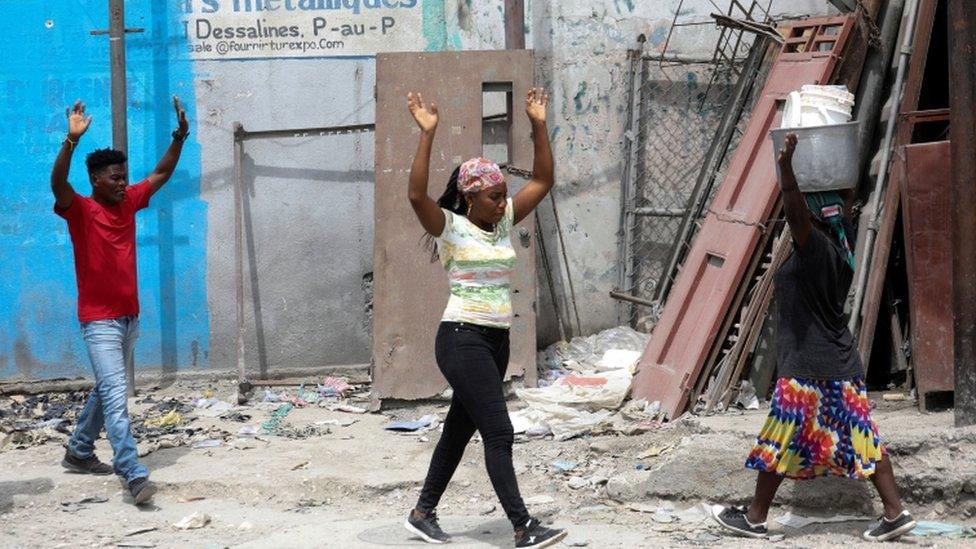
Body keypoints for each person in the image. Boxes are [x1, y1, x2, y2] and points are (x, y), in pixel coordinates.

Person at [710, 133, 916, 542]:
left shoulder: (816, 247)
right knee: (863, 439)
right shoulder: (842, 245)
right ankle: (895, 512)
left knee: (778, 438)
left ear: (814, 215)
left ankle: (754, 518)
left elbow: (792, 206)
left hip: (810, 369)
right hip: (837, 365)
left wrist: (786, 166)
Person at [401, 88, 567, 549]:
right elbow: (416, 194)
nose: (503, 203)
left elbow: (546, 179)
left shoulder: (503, 220)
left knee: (460, 427)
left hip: (496, 340)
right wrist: (427, 135)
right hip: (461, 338)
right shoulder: (449, 228)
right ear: (470, 198)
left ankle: (422, 513)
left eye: (504, 196)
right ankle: (522, 526)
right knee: (499, 430)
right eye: (494, 197)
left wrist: (537, 123)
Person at [53, 97, 190, 505]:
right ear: (95, 179)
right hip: (99, 321)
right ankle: (132, 473)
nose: (121, 182)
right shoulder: (80, 209)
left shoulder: (129, 201)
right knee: (116, 396)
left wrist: (180, 135)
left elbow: (162, 172)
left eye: (123, 176)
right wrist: (70, 141)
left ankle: (79, 451)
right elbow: (57, 184)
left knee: (106, 389)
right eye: (114, 177)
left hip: (129, 318)